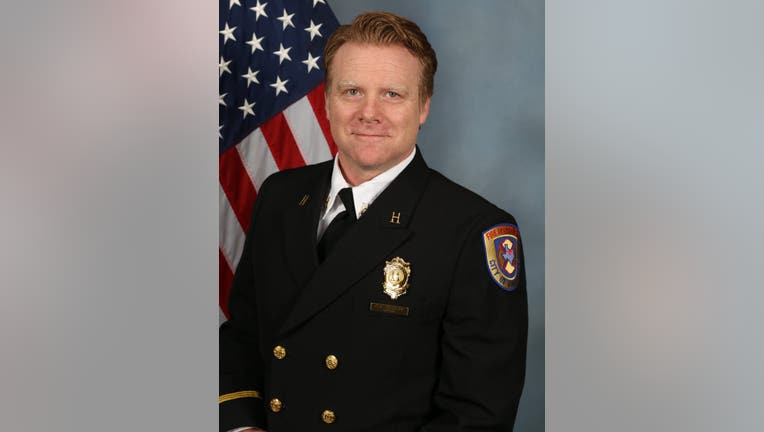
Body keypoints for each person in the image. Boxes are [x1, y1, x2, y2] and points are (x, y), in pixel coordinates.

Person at [219, 11, 528, 432]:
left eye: (392, 95)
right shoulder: (280, 197)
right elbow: (241, 338)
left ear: (424, 107)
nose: (369, 113)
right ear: (327, 101)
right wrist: (242, 426)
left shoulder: (472, 232)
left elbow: (477, 416)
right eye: (352, 91)